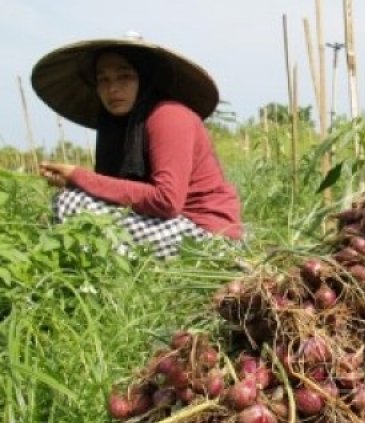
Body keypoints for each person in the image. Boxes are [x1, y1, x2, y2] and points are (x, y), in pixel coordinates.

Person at [30, 33, 243, 258]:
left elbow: (167, 200)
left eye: (124, 76)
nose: (113, 88)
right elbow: (118, 194)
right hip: (171, 226)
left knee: (70, 203)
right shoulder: (118, 127)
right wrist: (73, 182)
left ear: (145, 77)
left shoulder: (169, 116)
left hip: (208, 238)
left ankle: (113, 276)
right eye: (103, 80)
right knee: (72, 204)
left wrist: (80, 176)